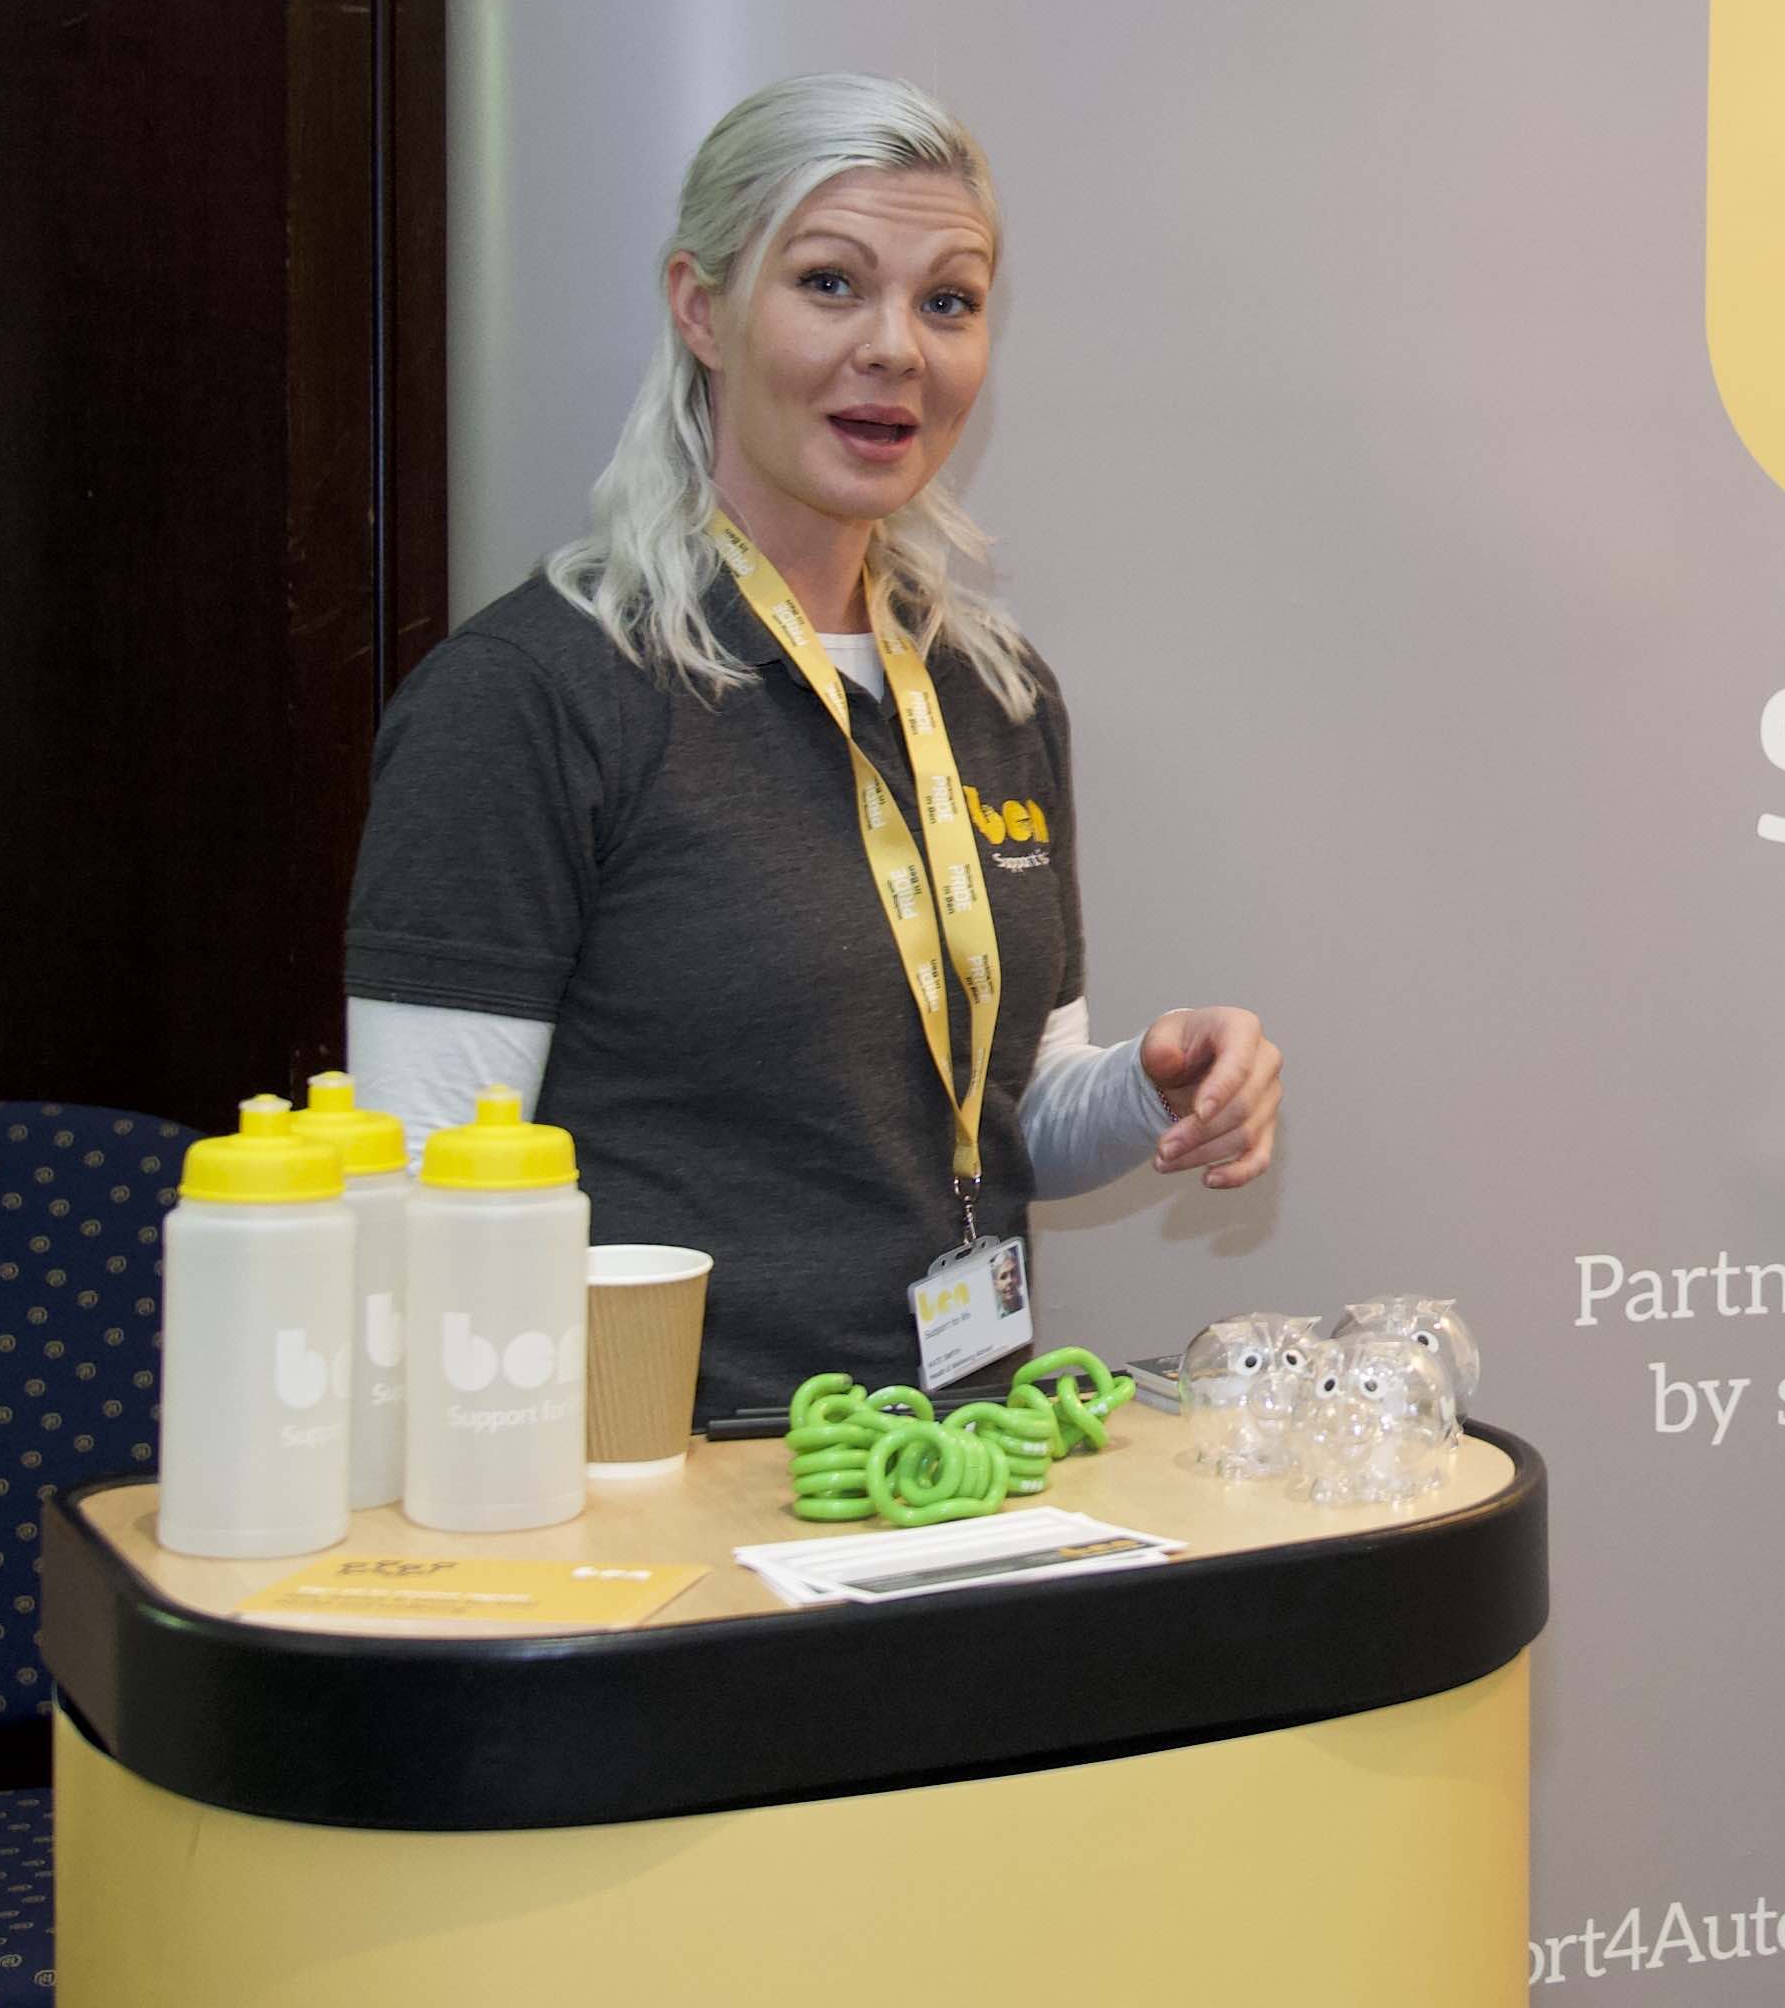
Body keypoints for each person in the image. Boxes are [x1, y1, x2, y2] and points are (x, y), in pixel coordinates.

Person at [340, 72, 1280, 1415]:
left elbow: (1006, 1115)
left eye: (948, 301)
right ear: (700, 308)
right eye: (830, 283)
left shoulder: (995, 690)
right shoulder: (530, 695)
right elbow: (420, 1187)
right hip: (669, 1470)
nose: (897, 348)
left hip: (958, 1459)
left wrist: (1152, 1083)